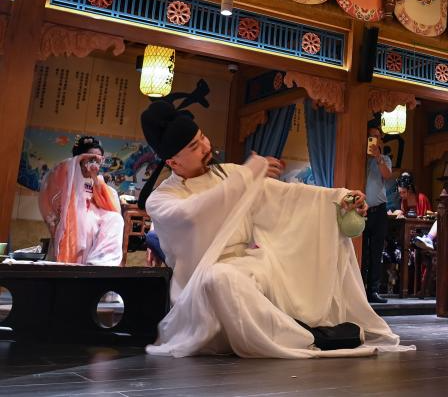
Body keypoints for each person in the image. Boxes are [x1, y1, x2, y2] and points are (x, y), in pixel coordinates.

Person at [136, 81, 408, 358]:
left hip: (249, 262)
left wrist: (340, 198)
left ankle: (302, 329)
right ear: (173, 162)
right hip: (201, 281)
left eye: (203, 137)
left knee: (282, 269)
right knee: (220, 278)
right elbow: (193, 213)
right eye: (195, 146)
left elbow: (288, 196)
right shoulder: (162, 199)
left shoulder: (229, 173)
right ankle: (307, 336)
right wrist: (247, 175)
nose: (206, 146)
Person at [38, 135, 124, 266]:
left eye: (98, 160)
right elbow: (55, 176)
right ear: (79, 159)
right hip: (73, 223)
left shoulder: (101, 184)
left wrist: (95, 178)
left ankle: (100, 263)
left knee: (115, 219)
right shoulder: (66, 177)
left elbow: (108, 205)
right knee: (83, 219)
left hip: (95, 223)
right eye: (90, 158)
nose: (94, 163)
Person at [363, 118, 393, 303]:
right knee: (362, 252)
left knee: (376, 252)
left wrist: (377, 157)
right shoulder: (359, 158)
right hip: (361, 211)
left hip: (379, 210)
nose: (374, 140)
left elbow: (387, 175)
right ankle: (359, 289)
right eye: (371, 137)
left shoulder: (384, 159)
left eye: (377, 137)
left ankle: (373, 291)